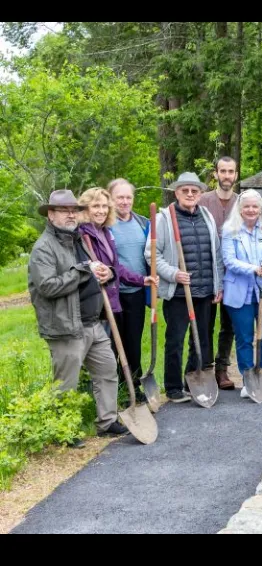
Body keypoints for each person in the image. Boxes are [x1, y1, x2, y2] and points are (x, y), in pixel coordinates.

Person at [28, 190, 128, 446]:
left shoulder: (79, 239)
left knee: (107, 372)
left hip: (93, 322)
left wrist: (107, 273)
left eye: (74, 209)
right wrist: (84, 272)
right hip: (65, 327)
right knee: (66, 383)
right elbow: (48, 286)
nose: (71, 214)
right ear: (51, 215)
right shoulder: (43, 248)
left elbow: (96, 268)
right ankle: (65, 430)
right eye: (64, 210)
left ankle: (107, 421)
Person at [148, 172, 224, 403]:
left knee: (201, 339)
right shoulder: (164, 218)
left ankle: (192, 380)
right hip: (178, 293)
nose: (190, 194)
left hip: (204, 290)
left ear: (200, 194)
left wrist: (218, 284)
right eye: (185, 191)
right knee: (175, 339)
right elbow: (151, 254)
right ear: (176, 192)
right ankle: (172, 387)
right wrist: (174, 274)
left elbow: (216, 253)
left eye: (194, 191)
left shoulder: (206, 216)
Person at [78, 187, 155, 402]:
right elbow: (81, 266)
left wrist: (141, 279)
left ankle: (125, 392)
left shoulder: (104, 232)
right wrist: (95, 271)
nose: (101, 210)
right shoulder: (82, 235)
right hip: (93, 303)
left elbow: (115, 267)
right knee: (103, 353)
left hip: (110, 300)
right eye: (96, 206)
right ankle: (104, 399)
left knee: (119, 346)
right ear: (85, 208)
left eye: (104, 206)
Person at [221, 190, 262, 398]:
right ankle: (248, 380)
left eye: (254, 206)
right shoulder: (230, 230)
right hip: (240, 291)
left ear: (260, 209)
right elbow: (229, 261)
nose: (250, 210)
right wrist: (254, 268)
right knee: (244, 336)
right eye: (246, 206)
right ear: (240, 209)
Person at [198, 156, 240, 389]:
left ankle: (222, 369)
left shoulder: (242, 203)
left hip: (234, 274)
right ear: (215, 174)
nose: (226, 175)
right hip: (205, 272)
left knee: (229, 324)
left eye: (230, 171)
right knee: (205, 322)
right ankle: (203, 367)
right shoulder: (203, 201)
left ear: (236, 175)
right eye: (222, 171)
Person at [108, 179, 151, 399]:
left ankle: (133, 383)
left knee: (133, 341)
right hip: (113, 295)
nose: (125, 202)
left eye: (128, 197)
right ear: (111, 199)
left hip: (135, 294)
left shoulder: (142, 223)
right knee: (114, 344)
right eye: (120, 197)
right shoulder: (105, 227)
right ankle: (114, 388)